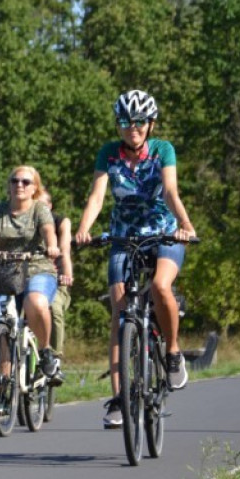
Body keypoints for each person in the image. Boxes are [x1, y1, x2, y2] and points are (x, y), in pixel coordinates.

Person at [74, 90, 197, 429]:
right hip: (123, 236)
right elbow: (98, 195)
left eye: (139, 122)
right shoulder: (108, 154)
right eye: (126, 122)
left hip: (164, 234)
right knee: (119, 309)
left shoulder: (162, 150)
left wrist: (185, 226)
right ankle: (119, 397)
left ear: (150, 124)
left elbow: (171, 192)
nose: (133, 128)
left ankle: (172, 353)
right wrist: (84, 229)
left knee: (160, 286)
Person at [0, 166, 63, 385]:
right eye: (15, 181)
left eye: (25, 182)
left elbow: (49, 231)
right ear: (9, 186)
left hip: (37, 268)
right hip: (6, 272)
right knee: (0, 316)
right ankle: (4, 374)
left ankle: (46, 351)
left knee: (35, 302)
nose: (19, 185)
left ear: (34, 188)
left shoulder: (40, 210)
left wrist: (52, 246)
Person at [37, 189, 73, 358]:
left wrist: (67, 274)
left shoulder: (61, 222)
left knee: (54, 308)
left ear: (50, 206)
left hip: (55, 278)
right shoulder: (27, 221)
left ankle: (55, 357)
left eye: (43, 205)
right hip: (29, 276)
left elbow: (65, 250)